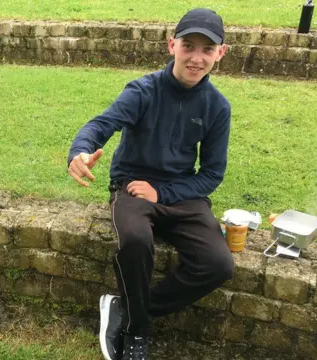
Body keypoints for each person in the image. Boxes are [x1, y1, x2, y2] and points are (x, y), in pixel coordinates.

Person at [67, 8, 235, 360]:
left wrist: (164, 193)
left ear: (221, 53)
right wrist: (80, 152)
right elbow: (102, 124)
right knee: (136, 239)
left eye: (208, 49)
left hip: (181, 193)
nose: (196, 58)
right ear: (172, 44)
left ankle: (129, 309)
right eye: (189, 46)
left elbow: (212, 174)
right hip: (131, 185)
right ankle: (137, 330)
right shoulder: (143, 90)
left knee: (219, 264)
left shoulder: (217, 106)